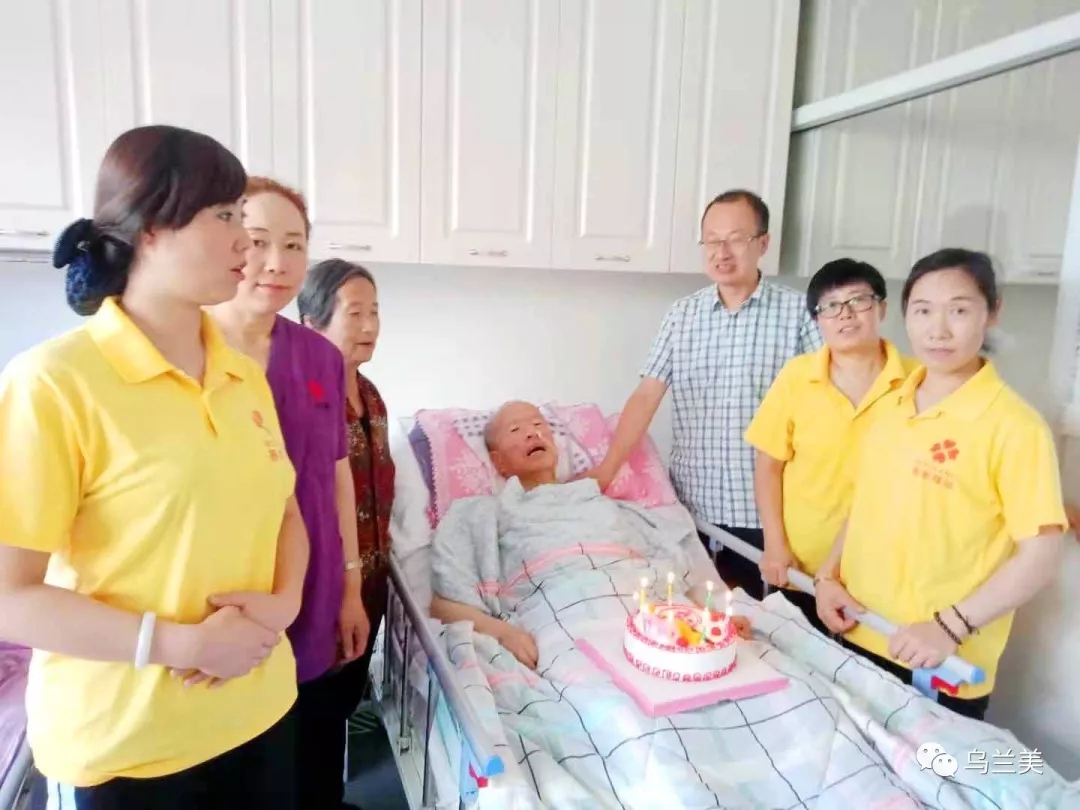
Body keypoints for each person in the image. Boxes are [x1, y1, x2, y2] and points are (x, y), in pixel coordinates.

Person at [0, 125, 307, 807]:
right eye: (224, 216)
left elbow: (284, 511)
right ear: (149, 232)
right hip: (131, 748)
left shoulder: (242, 376)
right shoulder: (53, 383)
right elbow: (9, 597)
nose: (247, 241)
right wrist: (182, 646)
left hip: (260, 710)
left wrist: (284, 604)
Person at [814, 248, 1067, 720]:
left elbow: (1042, 554)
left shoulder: (1014, 426)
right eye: (923, 311)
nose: (938, 329)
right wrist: (827, 577)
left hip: (939, 662)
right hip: (859, 632)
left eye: (959, 311)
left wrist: (949, 627)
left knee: (933, 767)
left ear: (992, 313)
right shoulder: (892, 402)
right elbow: (867, 505)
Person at [208, 178, 369, 808]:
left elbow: (336, 473)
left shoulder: (320, 358)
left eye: (294, 245)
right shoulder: (189, 348)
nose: (276, 263)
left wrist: (351, 587)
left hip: (317, 579)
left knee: (311, 748)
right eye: (257, 241)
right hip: (225, 589)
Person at [584, 190, 823, 600]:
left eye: (735, 239)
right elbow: (646, 396)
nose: (721, 252)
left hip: (773, 514)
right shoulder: (682, 315)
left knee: (779, 624)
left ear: (763, 243)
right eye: (711, 240)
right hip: (693, 509)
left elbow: (828, 404)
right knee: (704, 621)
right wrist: (606, 470)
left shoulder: (800, 314)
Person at [430, 401, 750, 669]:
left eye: (539, 425)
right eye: (516, 430)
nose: (532, 433)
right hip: (566, 619)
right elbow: (445, 605)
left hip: (650, 613)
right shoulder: (482, 513)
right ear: (498, 461)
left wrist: (707, 616)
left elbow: (669, 573)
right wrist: (502, 633)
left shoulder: (609, 505)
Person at [743, 259, 916, 634]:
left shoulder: (918, 382)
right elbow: (768, 466)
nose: (845, 314)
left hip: (882, 566)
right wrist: (775, 544)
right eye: (830, 306)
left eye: (858, 300)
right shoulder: (797, 377)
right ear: (818, 320)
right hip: (801, 565)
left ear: (882, 308)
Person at [298, 260, 396, 749]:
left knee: (339, 706)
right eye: (355, 313)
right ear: (311, 323)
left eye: (374, 312)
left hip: (372, 583)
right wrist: (343, 590)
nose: (370, 326)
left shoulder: (371, 396)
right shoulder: (307, 397)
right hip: (327, 586)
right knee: (311, 717)